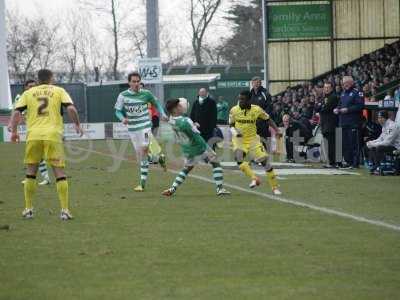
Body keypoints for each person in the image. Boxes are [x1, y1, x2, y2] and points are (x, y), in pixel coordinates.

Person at [8, 69, 83, 220]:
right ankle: (64, 210)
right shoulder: (59, 90)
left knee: (30, 172)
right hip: (53, 135)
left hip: (33, 135)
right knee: (59, 173)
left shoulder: (28, 92)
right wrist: (77, 124)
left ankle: (28, 209)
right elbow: (71, 108)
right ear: (51, 78)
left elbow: (16, 113)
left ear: (38, 79)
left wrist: (14, 132)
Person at [162, 98, 230, 197]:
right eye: (180, 106)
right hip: (198, 147)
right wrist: (207, 149)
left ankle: (173, 188)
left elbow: (185, 130)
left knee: (187, 168)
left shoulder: (171, 120)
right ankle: (220, 189)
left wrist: (193, 125)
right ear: (175, 109)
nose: (182, 107)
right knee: (215, 162)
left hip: (187, 148)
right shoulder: (185, 120)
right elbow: (197, 136)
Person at [114, 72, 167, 192]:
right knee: (142, 156)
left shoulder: (146, 94)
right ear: (129, 82)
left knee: (144, 149)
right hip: (132, 129)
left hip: (145, 126)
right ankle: (159, 158)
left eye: (138, 81)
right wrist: (123, 118)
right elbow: (117, 111)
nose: (136, 84)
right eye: (134, 81)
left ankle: (142, 184)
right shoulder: (123, 95)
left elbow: (156, 103)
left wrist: (162, 113)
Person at [229, 90, 282, 195]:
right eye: (239, 99)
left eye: (242, 99)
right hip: (239, 140)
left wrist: (277, 130)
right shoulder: (234, 110)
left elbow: (268, 119)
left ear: (249, 100)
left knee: (265, 162)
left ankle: (275, 187)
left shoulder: (256, 109)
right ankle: (254, 178)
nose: (240, 101)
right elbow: (231, 125)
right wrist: (235, 133)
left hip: (253, 139)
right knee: (239, 159)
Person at [15, 80, 52, 186]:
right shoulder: (23, 98)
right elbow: (18, 114)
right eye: (30, 86)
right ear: (25, 87)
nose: (32, 88)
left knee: (35, 155)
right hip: (33, 130)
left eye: (34, 86)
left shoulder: (39, 98)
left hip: (39, 131)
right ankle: (42, 178)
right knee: (35, 156)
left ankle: (33, 178)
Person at [334, 76, 364, 169]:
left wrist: (347, 110)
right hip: (343, 123)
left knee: (353, 143)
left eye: (345, 83)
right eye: (343, 83)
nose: (344, 85)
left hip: (353, 123)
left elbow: (360, 106)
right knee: (345, 144)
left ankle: (355, 163)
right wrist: (336, 109)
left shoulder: (357, 92)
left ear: (351, 83)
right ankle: (348, 162)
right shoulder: (343, 93)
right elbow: (339, 105)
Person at [316, 82, 339, 168]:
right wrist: (321, 106)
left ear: (332, 88)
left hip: (331, 124)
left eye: (328, 88)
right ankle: (330, 162)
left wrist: (321, 106)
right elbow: (317, 108)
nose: (326, 89)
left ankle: (333, 162)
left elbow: (325, 108)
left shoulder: (333, 97)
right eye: (325, 88)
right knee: (328, 144)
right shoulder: (323, 98)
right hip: (324, 124)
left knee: (332, 144)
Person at [250, 76, 273, 149]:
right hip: (253, 122)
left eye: (258, 82)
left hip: (263, 121)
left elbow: (269, 107)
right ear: (252, 83)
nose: (257, 84)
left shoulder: (265, 93)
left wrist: (263, 117)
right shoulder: (250, 94)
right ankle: (255, 157)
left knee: (263, 140)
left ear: (261, 83)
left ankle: (264, 157)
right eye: (255, 82)